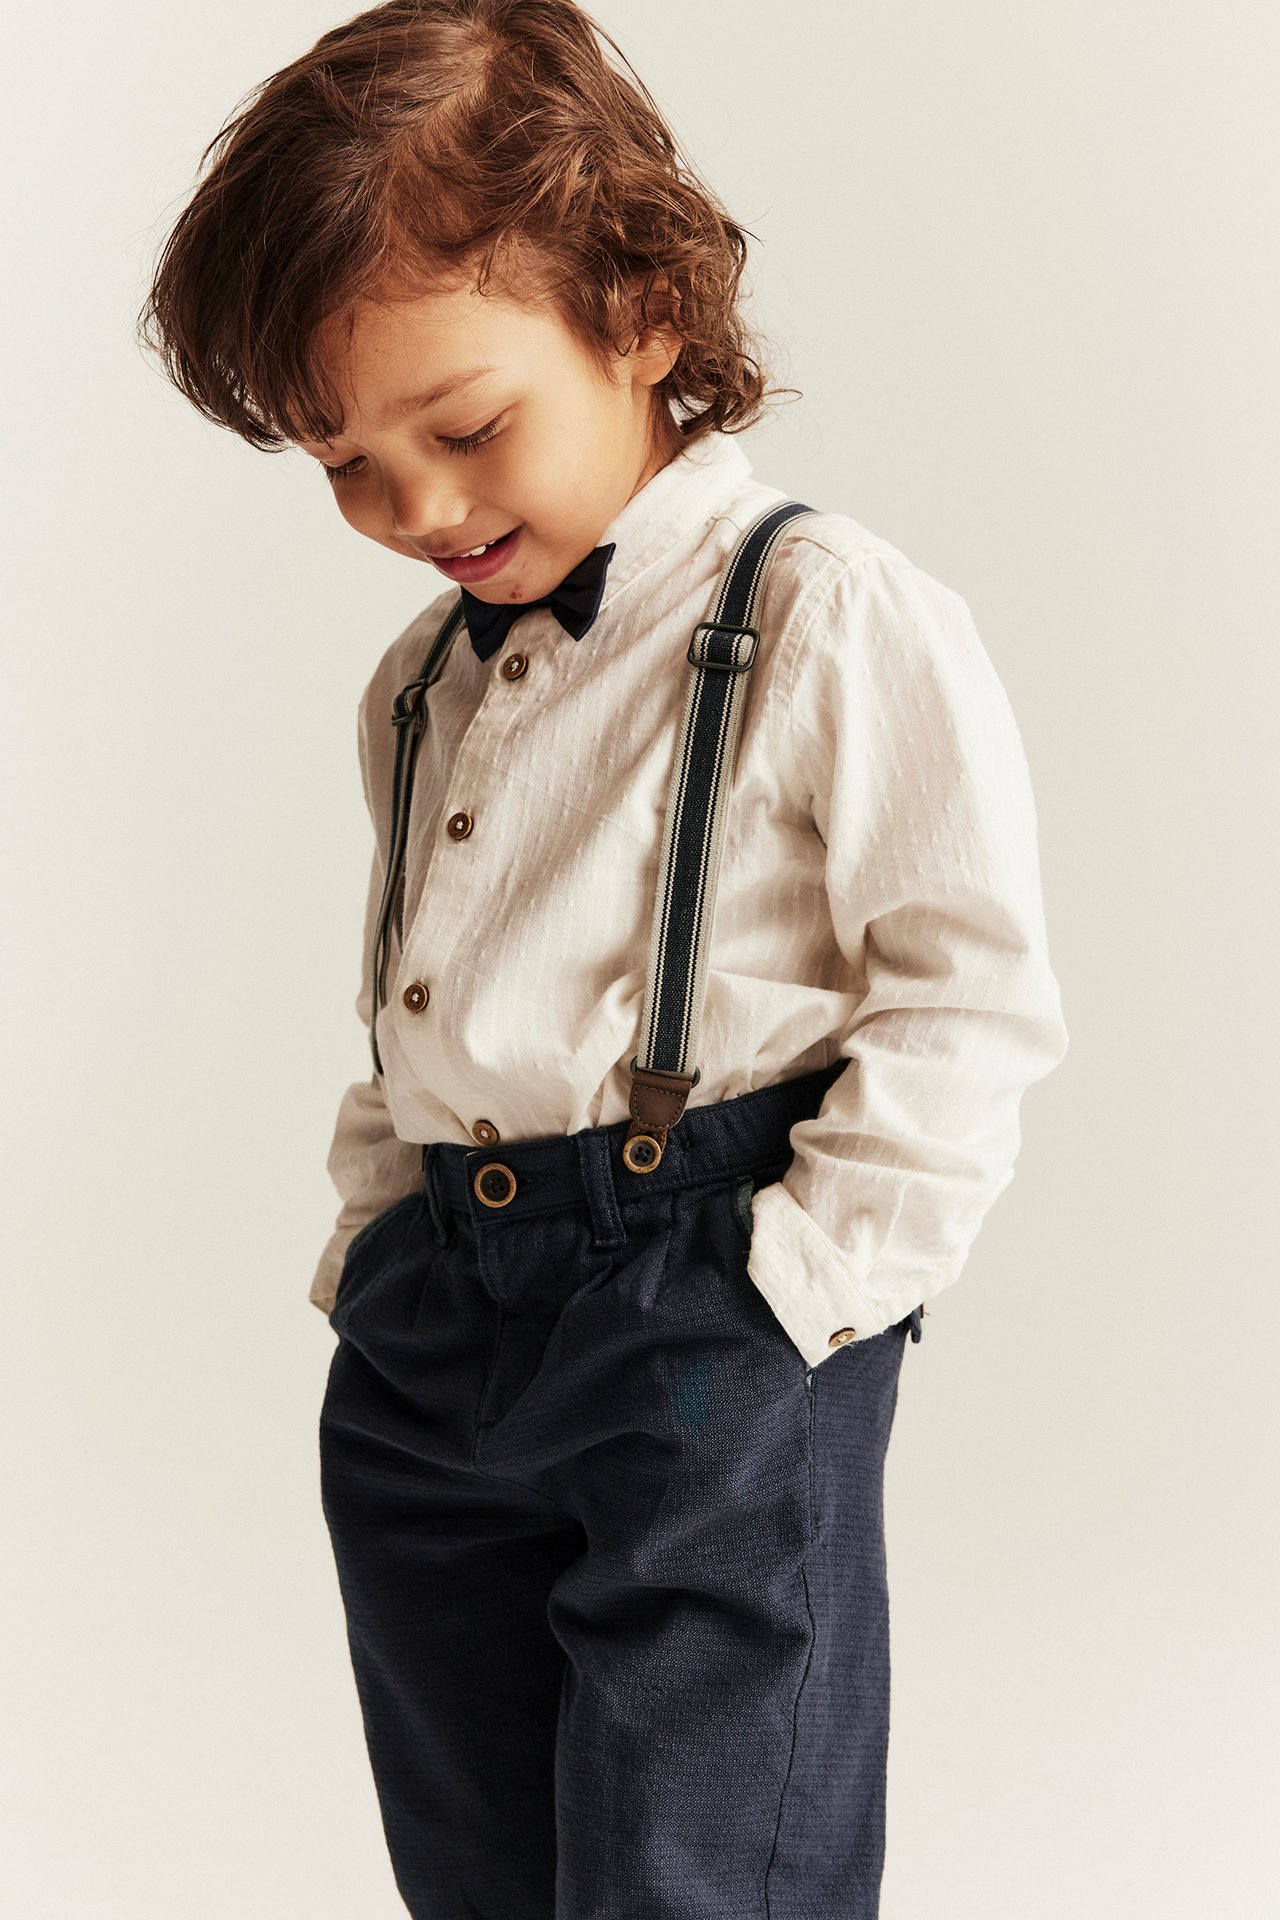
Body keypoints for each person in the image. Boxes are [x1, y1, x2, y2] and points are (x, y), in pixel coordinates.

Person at [137, 2, 1069, 1914]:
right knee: (478, 1854)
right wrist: (377, 1239)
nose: (413, 509)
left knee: (697, 1864)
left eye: (464, 427)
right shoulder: (418, 688)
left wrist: (796, 1293)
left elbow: (969, 989)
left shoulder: (820, 618)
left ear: (641, 313)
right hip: (442, 1320)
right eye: (344, 462)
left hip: (702, 1318)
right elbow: (431, 993)